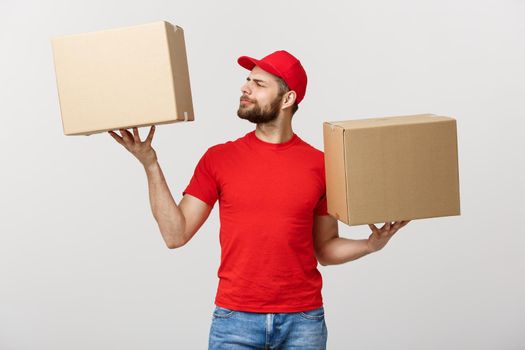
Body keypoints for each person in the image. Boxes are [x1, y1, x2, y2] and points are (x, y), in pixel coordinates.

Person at [109, 50, 410, 349]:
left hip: (303, 323)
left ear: (288, 99)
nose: (245, 88)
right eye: (247, 80)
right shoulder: (219, 159)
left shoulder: (322, 165)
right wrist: (150, 163)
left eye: (259, 84)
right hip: (234, 321)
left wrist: (370, 245)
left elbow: (325, 248)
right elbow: (175, 234)